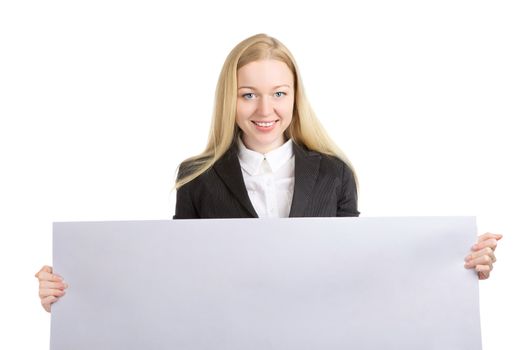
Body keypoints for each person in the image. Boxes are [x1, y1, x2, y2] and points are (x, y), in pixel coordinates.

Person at [35, 33, 503, 313]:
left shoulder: (335, 174)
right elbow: (171, 273)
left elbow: (363, 269)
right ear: (229, 99)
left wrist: (454, 270)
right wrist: (77, 287)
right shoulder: (196, 177)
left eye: (279, 93)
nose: (265, 109)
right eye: (248, 94)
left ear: (295, 96)